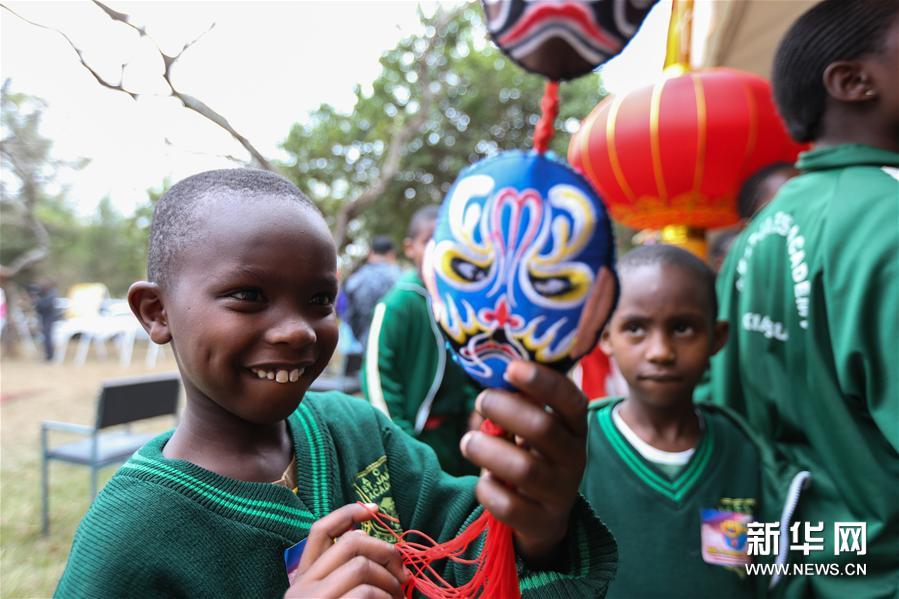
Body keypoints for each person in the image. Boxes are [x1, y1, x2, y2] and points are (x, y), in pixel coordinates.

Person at [55, 169, 617, 598]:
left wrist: (537, 527)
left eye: (320, 300)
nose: (298, 331)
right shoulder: (129, 538)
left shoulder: (357, 431)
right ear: (156, 312)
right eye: (249, 296)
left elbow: (470, 552)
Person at [712, 1, 899, 596]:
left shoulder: (751, 240)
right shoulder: (889, 217)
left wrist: (733, 573)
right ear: (853, 81)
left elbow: (718, 427)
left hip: (794, 573)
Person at [581, 245, 804, 598]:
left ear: (717, 338)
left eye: (683, 328)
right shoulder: (576, 446)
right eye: (636, 328)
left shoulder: (747, 452)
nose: (660, 352)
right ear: (606, 336)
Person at [362, 206, 480, 476]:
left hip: (458, 439)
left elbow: (468, 367)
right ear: (410, 248)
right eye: (429, 241)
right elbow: (378, 381)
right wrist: (403, 445)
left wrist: (475, 407)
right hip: (415, 440)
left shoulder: (459, 304)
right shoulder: (398, 304)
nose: (439, 250)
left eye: (447, 241)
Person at [343, 235, 401, 347]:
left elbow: (347, 312)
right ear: (391, 254)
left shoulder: (356, 279)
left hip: (365, 342)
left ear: (371, 252)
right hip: (396, 343)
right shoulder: (401, 278)